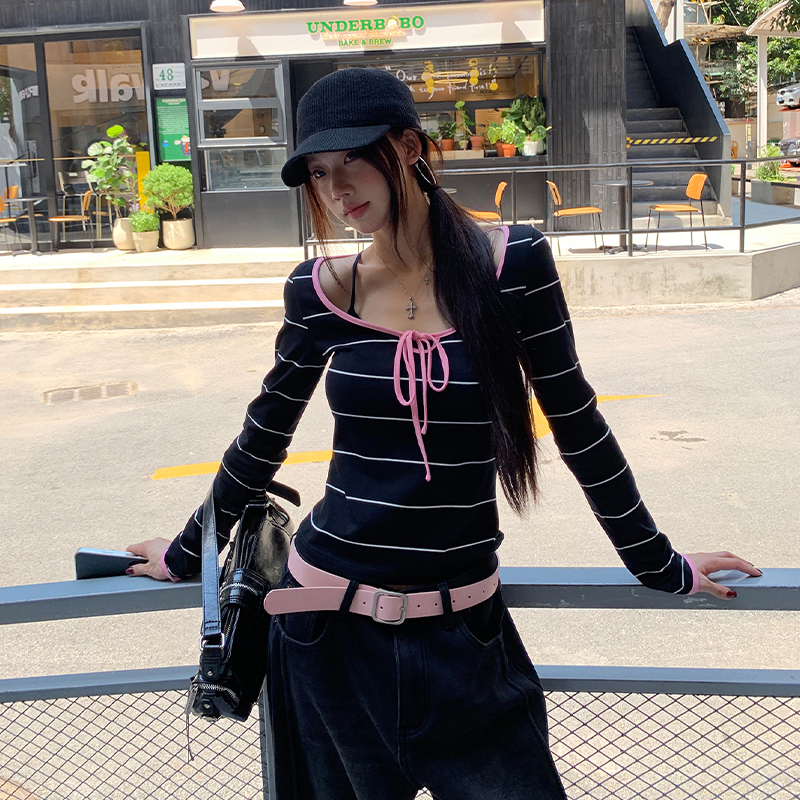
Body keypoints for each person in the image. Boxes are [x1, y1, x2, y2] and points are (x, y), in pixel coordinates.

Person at [128, 68, 760, 800]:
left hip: (466, 633)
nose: (337, 189)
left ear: (408, 148)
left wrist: (658, 563)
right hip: (327, 632)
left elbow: (577, 421)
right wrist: (186, 552)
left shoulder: (513, 264)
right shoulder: (320, 290)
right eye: (319, 173)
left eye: (353, 160)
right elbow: (262, 436)